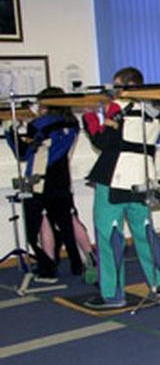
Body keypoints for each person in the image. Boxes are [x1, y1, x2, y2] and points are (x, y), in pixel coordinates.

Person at [82, 67, 160, 309]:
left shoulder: (119, 107)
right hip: (143, 177)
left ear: (125, 86)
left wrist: (89, 117)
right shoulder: (158, 111)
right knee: (145, 233)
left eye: (116, 85)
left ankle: (111, 294)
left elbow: (103, 141)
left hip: (115, 179)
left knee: (109, 237)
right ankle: (158, 283)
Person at [5, 87, 88, 282]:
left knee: (42, 222)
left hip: (40, 177)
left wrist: (11, 131)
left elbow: (23, 153)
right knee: (69, 220)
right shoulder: (72, 122)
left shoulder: (40, 124)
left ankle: (49, 267)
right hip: (62, 177)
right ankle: (84, 260)